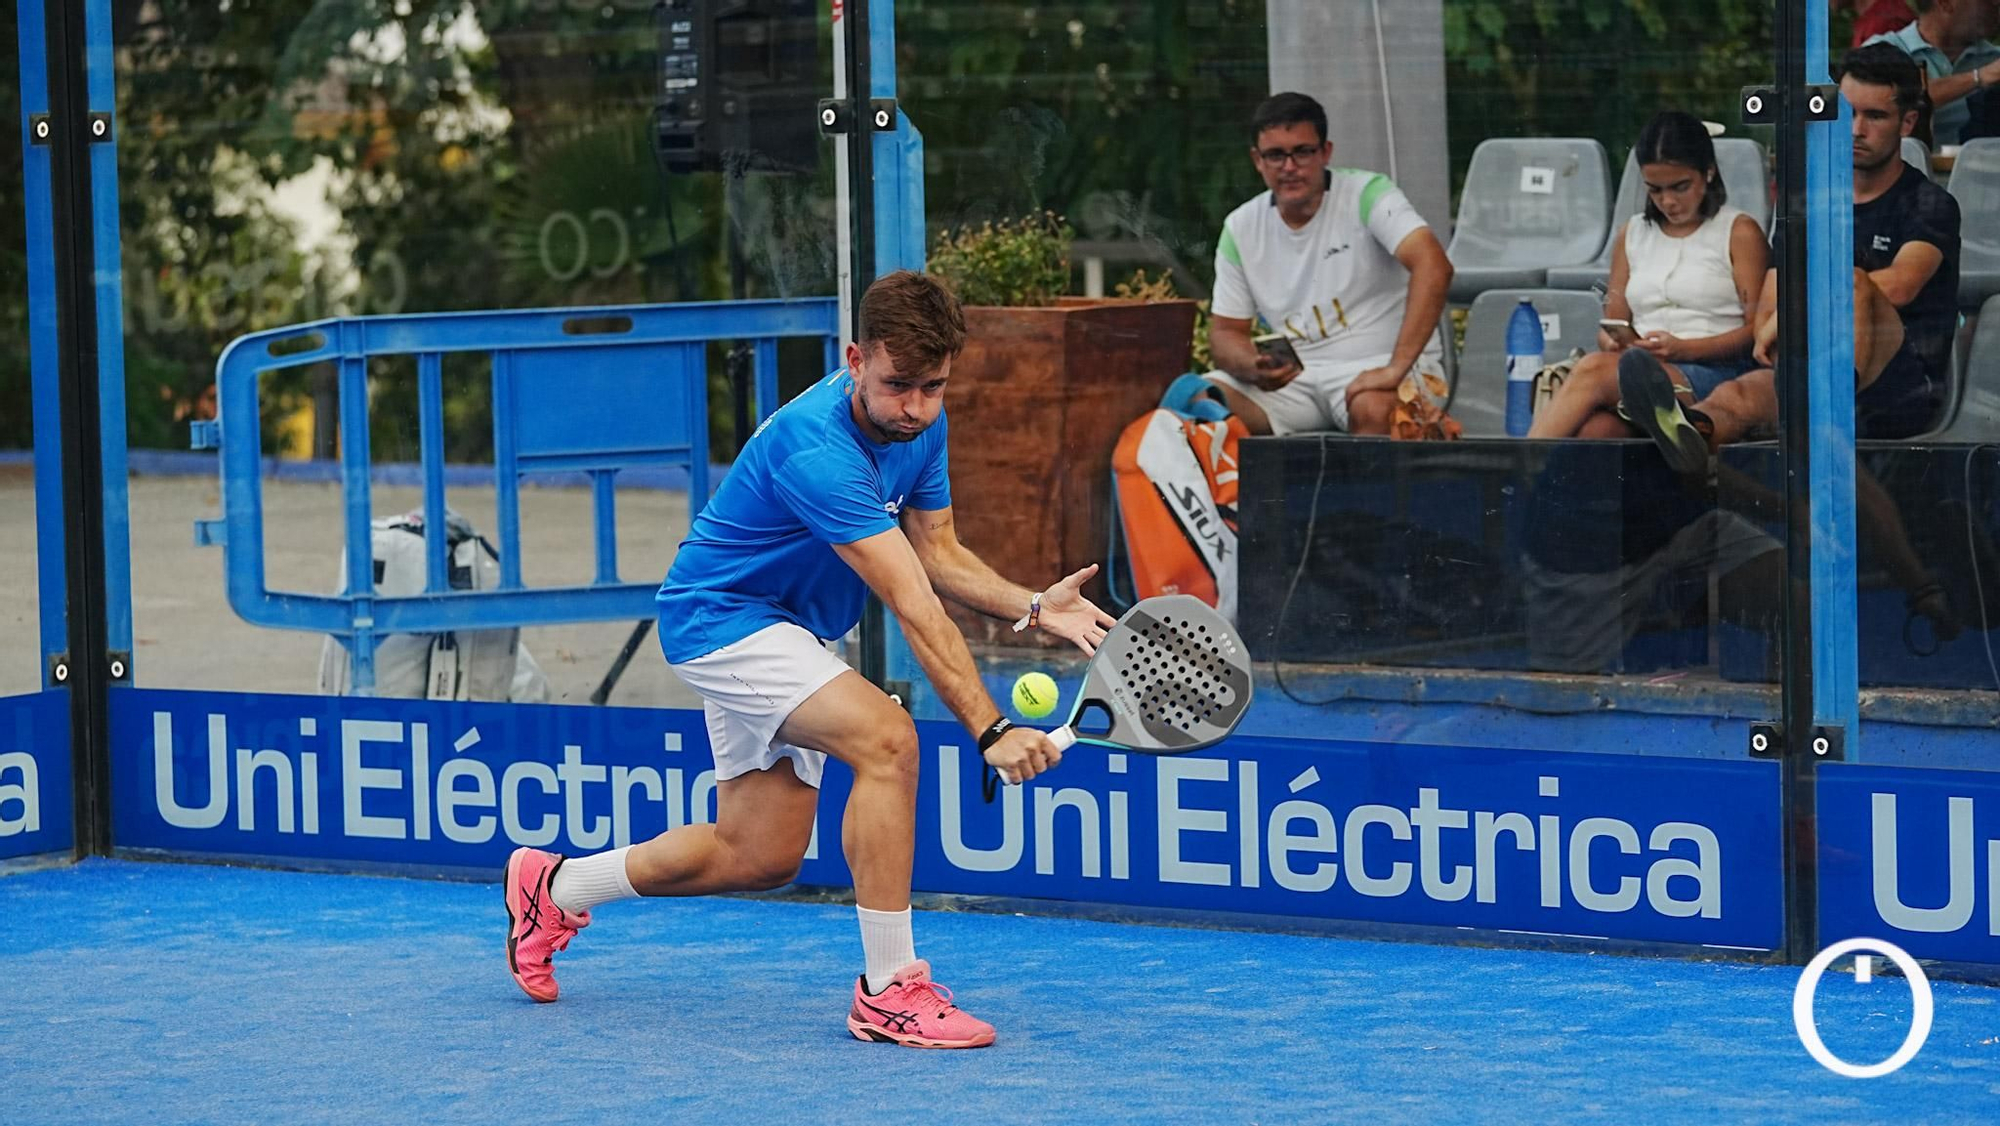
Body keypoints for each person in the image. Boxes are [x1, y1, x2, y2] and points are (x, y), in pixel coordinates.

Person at [500, 271, 1117, 1049]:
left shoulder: (922, 424)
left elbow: (938, 551)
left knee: (757, 855)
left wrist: (1030, 604)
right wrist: (990, 730)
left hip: (787, 630)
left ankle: (555, 886)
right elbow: (913, 604)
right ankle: (891, 990)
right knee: (890, 741)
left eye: (934, 387)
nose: (917, 408)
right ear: (855, 359)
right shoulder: (818, 449)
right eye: (899, 386)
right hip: (723, 619)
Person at [1622, 43, 1961, 468]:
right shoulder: (1807, 206)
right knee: (1737, 396)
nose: (1856, 130)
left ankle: (1820, 419)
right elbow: (1768, 302)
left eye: (1875, 117)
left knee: (1853, 281)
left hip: (1901, 385)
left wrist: (1789, 315)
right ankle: (1692, 436)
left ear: (1907, 123)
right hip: (1810, 374)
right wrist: (1779, 331)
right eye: (1848, 113)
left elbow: (1903, 285)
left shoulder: (1929, 204)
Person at [1204, 92, 1454, 437]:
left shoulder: (1369, 193)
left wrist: (1396, 368)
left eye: (1303, 151)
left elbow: (1434, 266)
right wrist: (1252, 365)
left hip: (1382, 369)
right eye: (1276, 155)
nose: (1289, 167)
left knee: (1375, 409)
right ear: (1257, 160)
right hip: (1294, 384)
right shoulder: (1240, 226)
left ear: (1326, 152)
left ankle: (1362, 494)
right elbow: (1225, 333)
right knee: (1197, 401)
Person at [1527, 112, 1767, 442]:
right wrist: (1614, 340)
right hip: (1642, 370)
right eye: (1655, 190)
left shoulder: (1738, 232)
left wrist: (1686, 349)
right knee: (1597, 431)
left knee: (1594, 371)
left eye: (1680, 187)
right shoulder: (1634, 233)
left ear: (1708, 173)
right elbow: (1613, 323)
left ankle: (1518, 471)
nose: (1668, 201)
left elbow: (1758, 332)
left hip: (1715, 374)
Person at [1865, 0, 2000, 146]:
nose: (1997, 3)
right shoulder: (1882, 51)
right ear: (1945, 3)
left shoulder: (1994, 58)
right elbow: (1882, 101)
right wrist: (1979, 77)